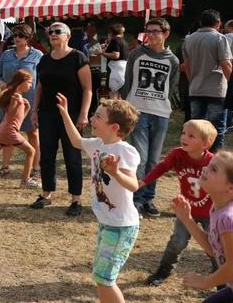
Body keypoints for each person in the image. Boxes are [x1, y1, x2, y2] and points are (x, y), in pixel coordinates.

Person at [55, 92, 140, 303]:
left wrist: (116, 172)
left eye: (98, 117)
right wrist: (65, 113)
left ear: (114, 127)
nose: (92, 119)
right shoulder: (98, 144)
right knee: (101, 276)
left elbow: (134, 185)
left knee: (104, 278)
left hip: (121, 226)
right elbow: (76, 141)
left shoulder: (124, 150)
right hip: (106, 222)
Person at [139, 120, 217, 286]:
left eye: (191, 135)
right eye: (183, 133)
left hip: (211, 213)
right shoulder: (177, 154)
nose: (184, 137)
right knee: (177, 242)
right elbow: (161, 167)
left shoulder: (213, 162)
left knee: (215, 246)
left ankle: (220, 276)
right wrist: (143, 182)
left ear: (206, 143)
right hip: (185, 211)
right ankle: (163, 271)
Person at [120, 17, 180, 217]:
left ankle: (148, 198)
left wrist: (163, 104)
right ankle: (136, 198)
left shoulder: (172, 60)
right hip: (138, 110)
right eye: (149, 30)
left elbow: (170, 87)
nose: (152, 34)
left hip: (160, 113)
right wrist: (129, 105)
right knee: (141, 157)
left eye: (156, 31)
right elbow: (128, 81)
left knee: (154, 160)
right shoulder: (136, 54)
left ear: (166, 34)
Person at [30, 22, 92, 215]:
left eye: (58, 31)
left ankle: (76, 199)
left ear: (67, 36)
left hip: (71, 115)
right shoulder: (45, 60)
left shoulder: (77, 57)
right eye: (50, 32)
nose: (53, 34)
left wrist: (83, 113)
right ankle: (47, 193)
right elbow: (40, 87)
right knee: (47, 155)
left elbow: (87, 88)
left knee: (72, 156)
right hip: (47, 113)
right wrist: (34, 110)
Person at [173, 150, 233, 302]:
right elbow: (214, 249)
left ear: (230, 188)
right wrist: (187, 219)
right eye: (208, 165)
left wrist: (205, 282)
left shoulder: (228, 218)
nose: (205, 169)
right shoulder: (217, 209)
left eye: (213, 169)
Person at [0, 24, 44, 179]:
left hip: (29, 101)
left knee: (33, 133)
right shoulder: (6, 55)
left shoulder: (38, 55)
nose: (16, 38)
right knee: (8, 134)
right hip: (10, 101)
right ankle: (5, 168)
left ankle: (36, 168)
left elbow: (42, 80)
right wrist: (1, 83)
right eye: (15, 35)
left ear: (28, 38)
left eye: (20, 36)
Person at [183, 9, 233, 152]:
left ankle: (195, 156)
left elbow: (187, 65)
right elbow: (226, 64)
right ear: (218, 23)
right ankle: (214, 160)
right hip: (216, 89)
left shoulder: (189, 39)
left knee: (196, 128)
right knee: (216, 129)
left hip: (195, 88)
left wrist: (192, 80)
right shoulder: (219, 38)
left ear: (200, 22)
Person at [102, 23, 129, 99]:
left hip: (114, 70)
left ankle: (113, 111)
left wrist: (102, 53)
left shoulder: (115, 40)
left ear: (111, 32)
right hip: (123, 70)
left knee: (113, 95)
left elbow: (116, 55)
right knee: (120, 96)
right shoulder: (124, 41)